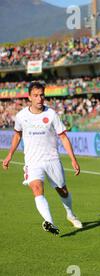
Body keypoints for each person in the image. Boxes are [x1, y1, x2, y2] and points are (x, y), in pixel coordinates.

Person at [2, 82, 82, 235]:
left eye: (42, 95)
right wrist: (10, 155)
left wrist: (73, 159)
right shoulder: (21, 116)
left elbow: (63, 137)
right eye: (36, 95)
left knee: (62, 190)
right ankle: (49, 222)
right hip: (32, 161)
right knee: (37, 189)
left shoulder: (51, 114)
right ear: (29, 97)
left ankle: (70, 214)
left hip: (52, 159)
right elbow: (17, 135)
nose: (39, 99)